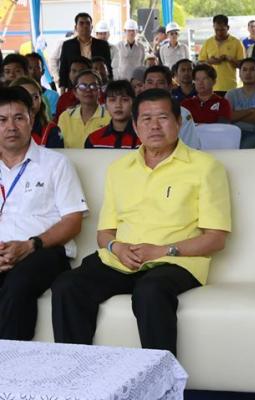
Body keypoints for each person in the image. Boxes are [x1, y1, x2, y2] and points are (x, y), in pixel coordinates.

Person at [51, 88, 231, 355]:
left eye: (163, 117)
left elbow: (216, 238)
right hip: (121, 260)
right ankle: (77, 371)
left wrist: (161, 251)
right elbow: (104, 233)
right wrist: (117, 248)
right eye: (146, 119)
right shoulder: (119, 169)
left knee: (150, 291)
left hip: (175, 261)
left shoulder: (205, 167)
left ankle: (161, 378)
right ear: (135, 126)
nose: (154, 126)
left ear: (178, 122)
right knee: (67, 286)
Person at [0, 86, 87, 340]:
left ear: (32, 118)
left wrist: (30, 245)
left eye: (19, 118)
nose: (11, 127)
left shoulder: (56, 164)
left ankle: (12, 361)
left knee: (18, 285)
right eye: (2, 120)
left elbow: (73, 221)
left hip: (43, 251)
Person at [143, 65, 200, 149]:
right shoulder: (135, 112)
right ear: (144, 86)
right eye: (150, 82)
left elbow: (191, 148)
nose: (154, 87)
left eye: (160, 83)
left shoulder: (182, 114)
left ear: (170, 86)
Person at [59, 13, 112, 92]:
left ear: (92, 27)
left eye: (88, 23)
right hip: (74, 87)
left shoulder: (102, 45)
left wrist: (110, 86)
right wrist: (62, 89)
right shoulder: (68, 45)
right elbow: (63, 68)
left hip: (97, 86)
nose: (85, 26)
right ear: (76, 27)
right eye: (81, 23)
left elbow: (108, 67)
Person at [58, 69, 110, 148]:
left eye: (93, 86)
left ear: (100, 92)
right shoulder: (65, 117)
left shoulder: (110, 117)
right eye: (82, 86)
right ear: (75, 92)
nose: (88, 90)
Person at [10, 77, 63, 148]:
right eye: (24, 97)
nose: (31, 102)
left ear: (41, 99)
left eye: (35, 97)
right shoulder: (4, 129)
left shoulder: (51, 130)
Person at [85, 80, 139, 149]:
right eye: (112, 100)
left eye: (124, 100)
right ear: (105, 105)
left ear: (133, 103)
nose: (118, 105)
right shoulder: (93, 140)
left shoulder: (143, 138)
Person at [225, 58, 255, 148]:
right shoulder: (231, 94)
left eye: (252, 69)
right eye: (244, 70)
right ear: (239, 74)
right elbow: (228, 117)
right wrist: (250, 111)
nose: (248, 73)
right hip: (234, 134)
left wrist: (237, 115)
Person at [198, 14, 245, 94]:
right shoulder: (208, 42)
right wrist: (210, 62)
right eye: (217, 30)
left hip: (230, 86)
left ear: (228, 27)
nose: (219, 33)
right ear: (213, 27)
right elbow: (200, 64)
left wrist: (230, 59)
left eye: (222, 30)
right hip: (211, 87)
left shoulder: (236, 43)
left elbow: (242, 65)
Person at [55, 56, 93, 120]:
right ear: (69, 74)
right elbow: (57, 122)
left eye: (81, 71)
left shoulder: (98, 96)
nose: (77, 74)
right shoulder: (64, 99)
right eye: (74, 71)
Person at [26, 52, 59, 119]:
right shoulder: (17, 94)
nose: (32, 71)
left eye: (37, 68)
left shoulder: (53, 96)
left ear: (43, 71)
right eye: (29, 68)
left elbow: (52, 120)